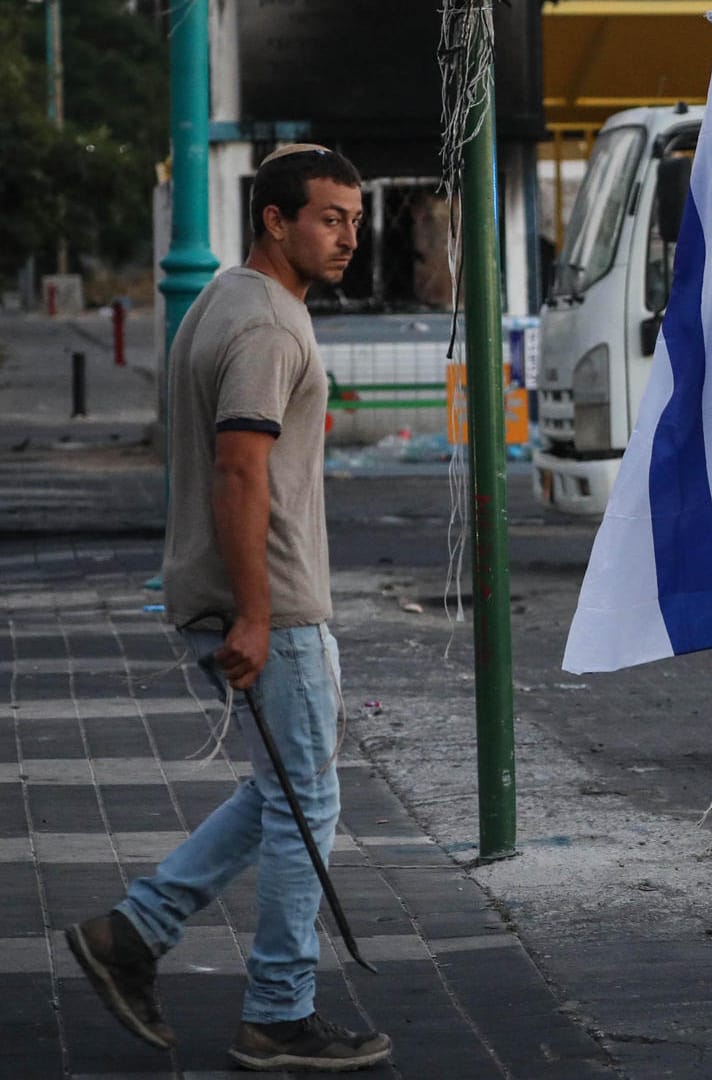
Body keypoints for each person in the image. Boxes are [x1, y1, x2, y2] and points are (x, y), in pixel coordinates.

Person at [63, 145, 392, 1072]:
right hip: (272, 605)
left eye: (356, 220)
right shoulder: (269, 329)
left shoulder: (225, 298)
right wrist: (256, 613)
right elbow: (240, 467)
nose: (349, 237)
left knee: (281, 791)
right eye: (330, 217)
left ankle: (132, 934)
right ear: (276, 221)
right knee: (306, 805)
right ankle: (279, 1013)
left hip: (244, 597)